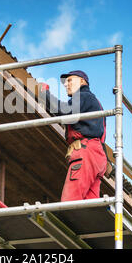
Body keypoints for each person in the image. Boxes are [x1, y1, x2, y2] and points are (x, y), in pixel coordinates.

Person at [38, 70, 108, 201]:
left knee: (71, 201)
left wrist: (44, 94)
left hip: (86, 153)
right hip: (97, 155)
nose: (66, 84)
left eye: (70, 80)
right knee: (88, 206)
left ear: (82, 81)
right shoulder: (94, 103)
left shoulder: (83, 96)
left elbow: (64, 111)